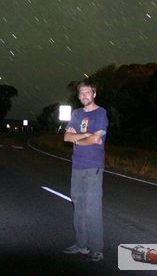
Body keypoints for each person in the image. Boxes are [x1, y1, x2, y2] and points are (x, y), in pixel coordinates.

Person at [62, 80, 108, 262]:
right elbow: (66, 137)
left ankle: (96, 248)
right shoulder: (76, 113)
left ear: (94, 94)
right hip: (77, 165)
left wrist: (77, 139)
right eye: (81, 93)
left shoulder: (101, 113)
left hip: (93, 166)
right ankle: (81, 244)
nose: (84, 96)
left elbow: (96, 139)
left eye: (87, 92)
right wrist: (84, 136)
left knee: (92, 208)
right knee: (78, 205)